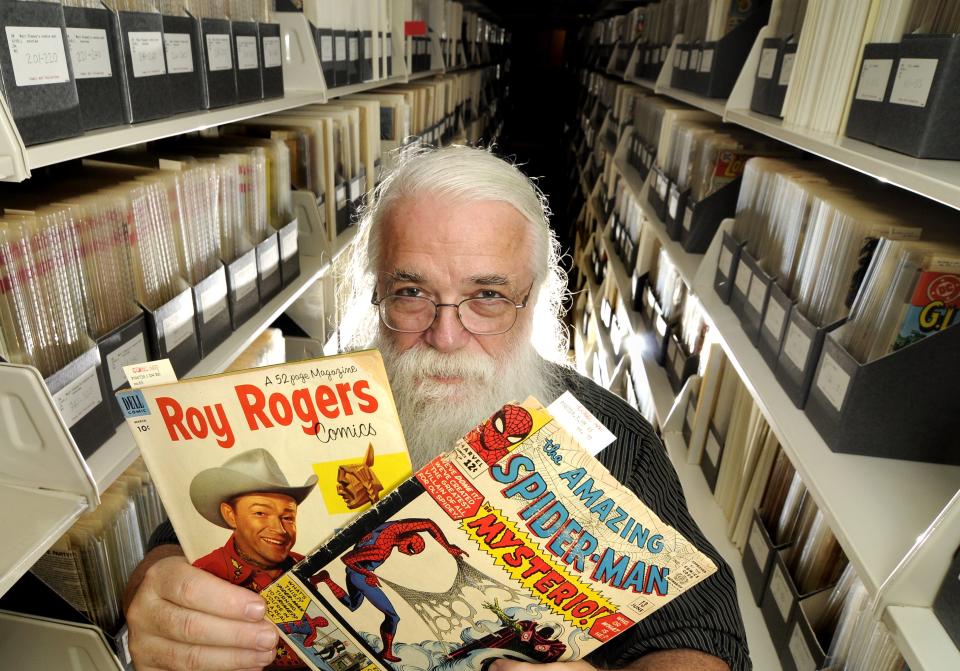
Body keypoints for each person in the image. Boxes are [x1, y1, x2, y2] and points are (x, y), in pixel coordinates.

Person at [122, 145, 750, 671]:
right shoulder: (298, 406)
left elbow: (705, 639)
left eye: (487, 296)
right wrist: (162, 600)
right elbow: (176, 545)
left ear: (533, 303)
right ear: (376, 296)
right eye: (412, 292)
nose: (446, 337)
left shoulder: (616, 438)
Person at [187, 448, 319, 669]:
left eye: (288, 517)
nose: (279, 529)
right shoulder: (206, 575)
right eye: (260, 513)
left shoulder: (308, 566)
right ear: (231, 515)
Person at [309, 518, 468, 662]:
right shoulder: (382, 549)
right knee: (392, 617)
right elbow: (347, 559)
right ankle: (386, 651)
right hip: (359, 575)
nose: (410, 555)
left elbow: (427, 524)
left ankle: (325, 578)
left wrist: (447, 546)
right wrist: (367, 574)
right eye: (411, 550)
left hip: (356, 572)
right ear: (407, 540)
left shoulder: (394, 528)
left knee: (353, 605)